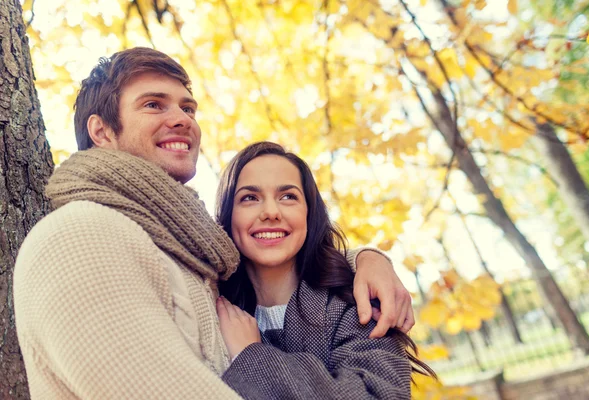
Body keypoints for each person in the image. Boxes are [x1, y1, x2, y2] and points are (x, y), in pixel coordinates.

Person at [13, 47, 413, 399]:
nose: (182, 119)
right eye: (154, 105)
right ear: (101, 131)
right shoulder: (81, 237)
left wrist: (366, 258)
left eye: (188, 108)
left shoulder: (197, 258)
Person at [214, 142, 435, 399]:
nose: (271, 212)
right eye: (249, 198)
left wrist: (251, 355)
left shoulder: (356, 303)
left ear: (309, 212)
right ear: (229, 214)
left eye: (288, 196)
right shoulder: (210, 305)